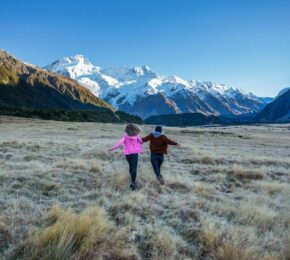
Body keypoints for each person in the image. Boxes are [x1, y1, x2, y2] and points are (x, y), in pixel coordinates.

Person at [109, 123, 143, 190]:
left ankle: (132, 181)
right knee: (134, 168)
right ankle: (133, 182)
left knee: (130, 166)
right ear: (134, 128)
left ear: (127, 129)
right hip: (135, 153)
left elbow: (119, 143)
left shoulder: (125, 136)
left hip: (127, 154)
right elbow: (141, 142)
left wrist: (112, 148)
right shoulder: (137, 136)